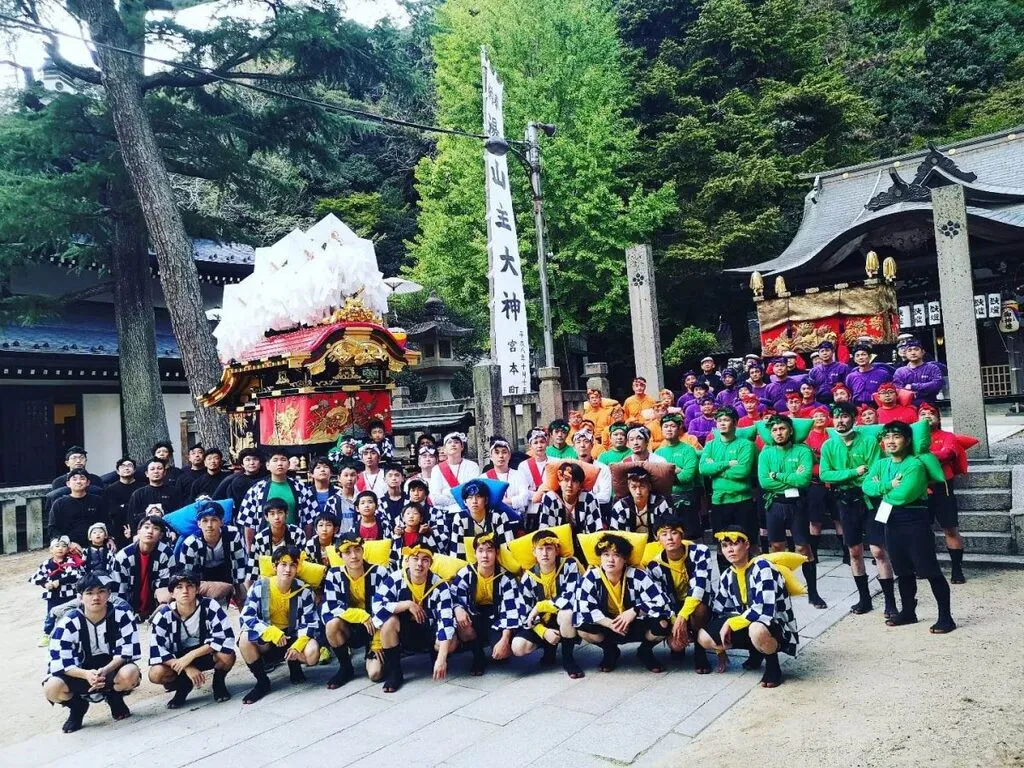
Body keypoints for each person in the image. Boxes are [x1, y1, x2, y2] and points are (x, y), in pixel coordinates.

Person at [863, 421, 956, 633]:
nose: (891, 441)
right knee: (902, 570)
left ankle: (946, 616)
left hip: (914, 520)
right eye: (887, 437)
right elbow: (867, 487)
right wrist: (888, 485)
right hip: (891, 522)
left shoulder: (914, 464)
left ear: (907, 440)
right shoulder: (881, 464)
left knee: (929, 569)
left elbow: (904, 495)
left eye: (896, 436)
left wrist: (882, 490)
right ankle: (908, 612)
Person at [698, 527, 799, 688]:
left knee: (757, 629)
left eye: (735, 544)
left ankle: (773, 664)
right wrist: (719, 649)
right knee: (704, 637)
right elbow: (719, 610)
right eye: (725, 546)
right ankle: (756, 652)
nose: (730, 549)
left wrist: (731, 623)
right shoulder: (727, 575)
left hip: (775, 625)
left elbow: (765, 611)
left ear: (746, 545)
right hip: (746, 621)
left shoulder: (764, 567)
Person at [819, 402, 895, 616]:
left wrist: (843, 474)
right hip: (845, 501)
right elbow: (825, 475)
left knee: (879, 550)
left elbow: (874, 473)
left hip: (870, 500)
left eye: (844, 416)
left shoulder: (870, 442)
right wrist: (853, 472)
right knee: (854, 551)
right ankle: (864, 599)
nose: (839, 421)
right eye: (835, 417)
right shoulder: (828, 446)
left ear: (854, 418)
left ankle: (890, 600)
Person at [43, 572, 141, 732]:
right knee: (52, 687)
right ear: (80, 597)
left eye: (101, 591)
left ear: (109, 593)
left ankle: (115, 697)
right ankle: (77, 707)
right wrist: (87, 674)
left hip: (110, 669)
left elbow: (127, 651)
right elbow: (61, 661)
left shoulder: (122, 615)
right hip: (79, 672)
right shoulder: (68, 622)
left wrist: (105, 671)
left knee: (131, 672)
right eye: (89, 593)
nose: (96, 597)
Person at [574, 532, 671, 673]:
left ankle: (645, 651)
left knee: (663, 623)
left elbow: (661, 600)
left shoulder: (637, 575)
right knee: (582, 627)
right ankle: (610, 651)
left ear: (625, 559)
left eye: (616, 555)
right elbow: (583, 607)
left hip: (634, 623)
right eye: (606, 555)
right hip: (607, 625)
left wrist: (634, 611)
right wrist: (610, 623)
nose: (610, 560)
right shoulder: (592, 576)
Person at [238, 544, 321, 703]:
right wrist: (270, 632)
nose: (287, 569)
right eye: (283, 564)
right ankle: (262, 681)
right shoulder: (259, 587)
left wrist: (298, 645)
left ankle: (294, 664)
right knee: (244, 639)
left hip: (292, 637)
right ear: (275, 566)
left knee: (312, 653)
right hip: (269, 639)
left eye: (292, 565)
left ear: (298, 568)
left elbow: (310, 623)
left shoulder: (304, 591)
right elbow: (246, 617)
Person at [757, 415, 825, 609]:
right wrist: (791, 477)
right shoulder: (766, 453)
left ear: (790, 430)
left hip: (797, 504)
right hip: (774, 504)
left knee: (803, 548)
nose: (779, 433)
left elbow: (803, 480)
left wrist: (777, 475)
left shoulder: (802, 450)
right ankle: (780, 590)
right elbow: (764, 482)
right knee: (777, 547)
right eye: (775, 430)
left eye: (782, 429)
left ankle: (813, 592)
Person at [373, 543, 457, 692]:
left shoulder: (440, 585)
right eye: (415, 558)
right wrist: (406, 604)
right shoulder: (395, 579)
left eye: (425, 560)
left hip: (430, 631)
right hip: (405, 631)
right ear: (407, 561)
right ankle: (395, 672)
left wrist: (441, 658)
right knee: (388, 622)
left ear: (430, 563)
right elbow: (377, 606)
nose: (419, 564)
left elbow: (446, 621)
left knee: (450, 642)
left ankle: (435, 657)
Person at [148, 567, 235, 708]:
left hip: (205, 654)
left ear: (197, 589)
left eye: (190, 586)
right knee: (156, 673)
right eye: (179, 587)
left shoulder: (210, 606)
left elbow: (224, 637)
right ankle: (183, 687)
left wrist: (191, 655)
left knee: (227, 655)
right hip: (178, 661)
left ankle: (218, 683)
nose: (185, 591)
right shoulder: (164, 615)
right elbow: (157, 650)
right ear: (172, 592)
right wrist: (187, 667)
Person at [510, 528, 584, 677]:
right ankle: (548, 649)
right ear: (534, 553)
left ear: (556, 550)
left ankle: (568, 658)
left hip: (563, 619)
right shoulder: (528, 577)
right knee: (518, 647)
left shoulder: (569, 565)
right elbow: (524, 612)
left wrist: (540, 606)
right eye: (540, 549)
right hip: (541, 623)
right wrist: (543, 632)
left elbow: (571, 595)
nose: (544, 553)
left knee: (567, 614)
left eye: (549, 548)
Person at [645, 516, 713, 671]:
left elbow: (699, 588)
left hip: (696, 603)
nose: (669, 538)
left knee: (699, 608)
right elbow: (661, 599)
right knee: (675, 645)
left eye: (674, 532)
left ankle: (700, 651)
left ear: (682, 535)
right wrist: (676, 620)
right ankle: (677, 646)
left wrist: (682, 617)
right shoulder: (654, 565)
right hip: (673, 607)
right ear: (657, 538)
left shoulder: (700, 552)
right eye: (664, 534)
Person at [451, 532, 525, 675]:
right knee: (462, 624)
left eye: (489, 551)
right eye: (480, 551)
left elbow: (511, 611)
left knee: (503, 653)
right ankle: (478, 656)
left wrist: (504, 639)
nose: (485, 556)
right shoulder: (466, 573)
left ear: (496, 553)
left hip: (497, 618)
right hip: (475, 616)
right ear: (475, 554)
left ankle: (498, 647)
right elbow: (453, 596)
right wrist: (458, 609)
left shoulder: (506, 578)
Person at [321, 533, 387, 688]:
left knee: (375, 674)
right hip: (351, 626)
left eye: (357, 550)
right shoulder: (334, 574)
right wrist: (360, 615)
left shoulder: (379, 572)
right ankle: (345, 667)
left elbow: (386, 607)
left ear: (363, 551)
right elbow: (333, 607)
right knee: (331, 624)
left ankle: (375, 652)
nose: (354, 556)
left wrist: (377, 641)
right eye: (347, 552)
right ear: (340, 555)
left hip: (374, 627)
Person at [700, 407, 759, 564]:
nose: (722, 424)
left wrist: (716, 469)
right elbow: (703, 468)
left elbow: (743, 471)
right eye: (719, 421)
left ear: (735, 423)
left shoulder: (746, 445)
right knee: (722, 544)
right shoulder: (711, 445)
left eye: (726, 420)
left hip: (742, 501)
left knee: (747, 543)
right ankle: (725, 583)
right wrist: (728, 464)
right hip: (719, 502)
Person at [918, 403, 967, 584]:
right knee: (922, 530)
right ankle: (926, 566)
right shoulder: (912, 437)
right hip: (918, 488)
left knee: (950, 528)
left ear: (939, 418)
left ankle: (957, 568)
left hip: (942, 487)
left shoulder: (947, 436)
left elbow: (948, 454)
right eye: (922, 413)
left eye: (931, 413)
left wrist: (922, 457)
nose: (927, 415)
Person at [236, 448, 315, 548]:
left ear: (289, 464)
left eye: (283, 459)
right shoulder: (256, 490)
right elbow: (248, 523)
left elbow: (308, 521)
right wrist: (251, 550)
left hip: (294, 541)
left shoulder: (300, 488)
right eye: (275, 460)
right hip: (265, 544)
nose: (280, 463)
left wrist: (306, 546)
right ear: (267, 465)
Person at [176, 500, 248, 606]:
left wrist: (238, 589)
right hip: (202, 581)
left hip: (228, 577)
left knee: (244, 595)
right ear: (199, 524)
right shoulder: (191, 543)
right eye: (205, 521)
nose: (209, 525)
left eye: (214, 520)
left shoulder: (233, 535)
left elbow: (240, 563)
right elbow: (187, 574)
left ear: (222, 522)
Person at [113, 514, 173, 618]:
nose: (150, 531)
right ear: (138, 532)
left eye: (156, 528)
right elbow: (119, 589)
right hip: (128, 609)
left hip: (155, 608)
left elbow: (165, 586)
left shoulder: (166, 553)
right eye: (146, 527)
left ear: (161, 535)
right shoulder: (123, 556)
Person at [538, 462, 606, 549]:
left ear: (580, 485)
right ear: (559, 481)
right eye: (566, 480)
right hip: (557, 549)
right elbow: (545, 532)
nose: (569, 485)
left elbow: (595, 533)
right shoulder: (550, 498)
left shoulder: (589, 498)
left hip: (584, 548)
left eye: (574, 481)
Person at [656, 414, 702, 539]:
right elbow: (655, 477)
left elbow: (687, 476)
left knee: (689, 537)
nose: (669, 429)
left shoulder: (688, 450)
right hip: (665, 501)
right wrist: (675, 470)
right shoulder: (658, 452)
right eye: (665, 426)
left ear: (679, 428)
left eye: (672, 426)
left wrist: (667, 473)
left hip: (686, 500)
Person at [448, 479, 519, 557]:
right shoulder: (460, 518)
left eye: (478, 497)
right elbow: (456, 553)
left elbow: (507, 548)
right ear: (464, 501)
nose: (474, 501)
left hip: (496, 562)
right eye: (470, 497)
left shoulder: (498, 516)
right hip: (470, 565)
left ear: (486, 500)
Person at [32, 535, 82, 645]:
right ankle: (47, 634)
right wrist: (45, 584)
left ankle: (74, 633)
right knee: (51, 615)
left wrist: (59, 581)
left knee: (70, 613)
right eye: (57, 546)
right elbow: (37, 577)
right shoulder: (47, 564)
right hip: (53, 595)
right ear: (51, 550)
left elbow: (74, 575)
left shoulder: (70, 562)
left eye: (64, 546)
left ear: (68, 549)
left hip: (69, 593)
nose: (60, 548)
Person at [249, 499, 307, 581]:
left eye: (280, 513)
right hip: (267, 580)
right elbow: (253, 569)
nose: (276, 517)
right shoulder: (260, 538)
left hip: (294, 577)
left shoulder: (297, 533)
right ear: (266, 517)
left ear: (286, 514)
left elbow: (302, 563)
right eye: (272, 514)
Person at [47, 469, 109, 547]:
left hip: (95, 544)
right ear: (68, 484)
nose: (78, 482)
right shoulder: (59, 503)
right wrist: (67, 543)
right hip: (68, 545)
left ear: (88, 483)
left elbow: (107, 522)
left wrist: (109, 538)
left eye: (82, 478)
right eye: (74, 479)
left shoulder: (98, 501)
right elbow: (52, 528)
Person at [125, 459, 186, 533]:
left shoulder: (175, 492)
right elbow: (132, 517)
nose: (156, 471)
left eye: (159, 468)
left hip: (170, 532)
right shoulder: (138, 494)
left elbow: (179, 515)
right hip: (145, 533)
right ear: (147, 473)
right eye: (152, 469)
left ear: (165, 472)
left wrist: (174, 532)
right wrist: (135, 534)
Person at [610, 466, 672, 536]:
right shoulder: (620, 507)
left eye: (642, 486)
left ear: (649, 486)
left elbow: (667, 532)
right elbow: (615, 536)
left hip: (655, 545)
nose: (638, 492)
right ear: (628, 487)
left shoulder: (660, 504)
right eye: (634, 487)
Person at [428, 432, 481, 512]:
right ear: (444, 449)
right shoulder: (437, 469)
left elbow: (473, 491)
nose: (453, 444)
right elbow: (435, 497)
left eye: (456, 442)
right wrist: (458, 500)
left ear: (462, 447)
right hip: (444, 513)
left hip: (468, 512)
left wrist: (446, 492)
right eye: (449, 442)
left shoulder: (472, 466)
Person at [483, 436, 530, 515]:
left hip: (517, 516)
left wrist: (499, 502)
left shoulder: (519, 474)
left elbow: (524, 499)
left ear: (509, 455)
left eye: (504, 452)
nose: (501, 456)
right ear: (491, 456)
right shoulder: (484, 478)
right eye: (497, 452)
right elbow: (485, 502)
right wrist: (513, 501)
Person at [893, 337, 944, 406]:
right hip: (908, 408)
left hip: (929, 408)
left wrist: (913, 386)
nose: (913, 353)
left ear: (923, 352)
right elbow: (898, 390)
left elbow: (937, 384)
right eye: (909, 350)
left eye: (916, 350)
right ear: (906, 354)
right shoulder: (900, 372)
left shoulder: (932, 368)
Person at [103, 458, 138, 548]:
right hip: (118, 529)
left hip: (138, 528)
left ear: (134, 470)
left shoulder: (142, 488)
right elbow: (111, 511)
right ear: (117, 471)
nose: (126, 468)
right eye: (123, 466)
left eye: (129, 466)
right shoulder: (110, 490)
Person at [570, 429, 613, 504]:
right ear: (574, 447)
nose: (582, 445)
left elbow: (605, 497)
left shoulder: (603, 468)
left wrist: (580, 499)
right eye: (578, 442)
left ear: (592, 445)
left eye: (586, 441)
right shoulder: (569, 468)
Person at [325, 462, 360, 533]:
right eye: (346, 475)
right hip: (338, 540)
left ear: (357, 477)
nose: (349, 478)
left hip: (359, 539)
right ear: (339, 478)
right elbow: (327, 523)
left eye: (352, 475)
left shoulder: (362, 499)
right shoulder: (332, 501)